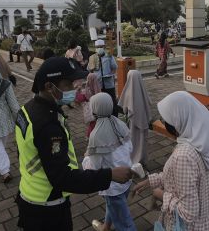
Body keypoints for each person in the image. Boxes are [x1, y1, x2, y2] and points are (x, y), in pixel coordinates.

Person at [15, 57, 132, 230]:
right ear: (49, 87)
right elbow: (64, 178)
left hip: (29, 192)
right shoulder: (48, 125)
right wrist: (110, 175)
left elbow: (24, 152)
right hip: (48, 205)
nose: (74, 88)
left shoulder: (27, 109)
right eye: (68, 84)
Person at [133, 91, 209, 230]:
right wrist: (150, 181)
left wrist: (160, 195)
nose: (165, 122)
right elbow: (183, 177)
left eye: (167, 119)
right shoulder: (204, 140)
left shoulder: (184, 155)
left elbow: (188, 213)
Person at [82, 93, 136, 231]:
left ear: (94, 110)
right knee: (114, 206)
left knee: (124, 223)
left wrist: (86, 157)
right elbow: (130, 148)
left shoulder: (96, 135)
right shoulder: (120, 124)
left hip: (112, 186)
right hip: (127, 177)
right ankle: (106, 227)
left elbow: (94, 167)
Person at [118, 70, 153, 165]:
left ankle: (133, 157)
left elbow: (124, 109)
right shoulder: (142, 88)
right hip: (143, 120)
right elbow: (148, 102)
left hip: (133, 122)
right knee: (142, 139)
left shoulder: (128, 89)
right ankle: (142, 158)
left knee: (133, 139)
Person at [88, 40, 118, 113]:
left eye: (101, 47)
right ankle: (103, 115)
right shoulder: (92, 58)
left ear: (104, 47)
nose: (99, 48)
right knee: (100, 102)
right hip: (98, 85)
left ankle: (114, 117)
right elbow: (89, 70)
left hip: (109, 84)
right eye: (98, 47)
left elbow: (114, 67)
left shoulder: (109, 56)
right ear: (95, 48)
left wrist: (111, 74)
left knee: (112, 101)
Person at [81, 72, 102, 138]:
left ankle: (89, 136)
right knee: (95, 124)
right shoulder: (97, 88)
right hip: (96, 109)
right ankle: (92, 136)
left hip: (89, 111)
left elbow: (82, 98)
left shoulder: (86, 88)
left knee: (92, 124)